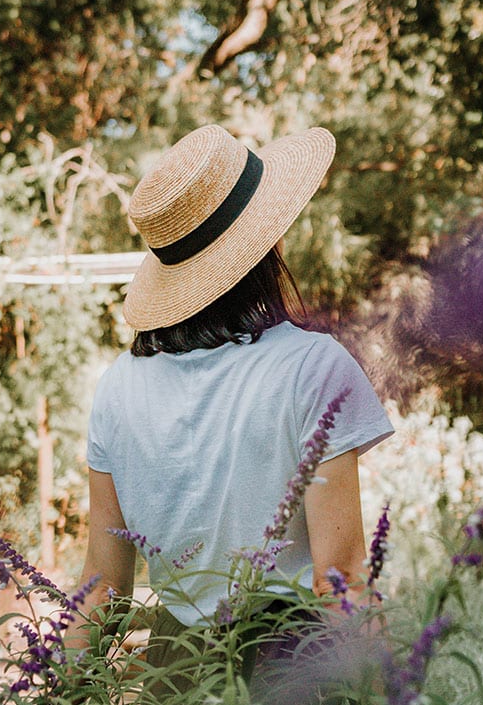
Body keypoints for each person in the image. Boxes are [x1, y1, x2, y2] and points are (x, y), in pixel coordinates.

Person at [67, 123, 394, 666]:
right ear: (265, 239)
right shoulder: (312, 368)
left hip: (174, 682)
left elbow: (103, 593)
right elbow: (341, 583)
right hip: (288, 686)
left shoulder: (117, 388)